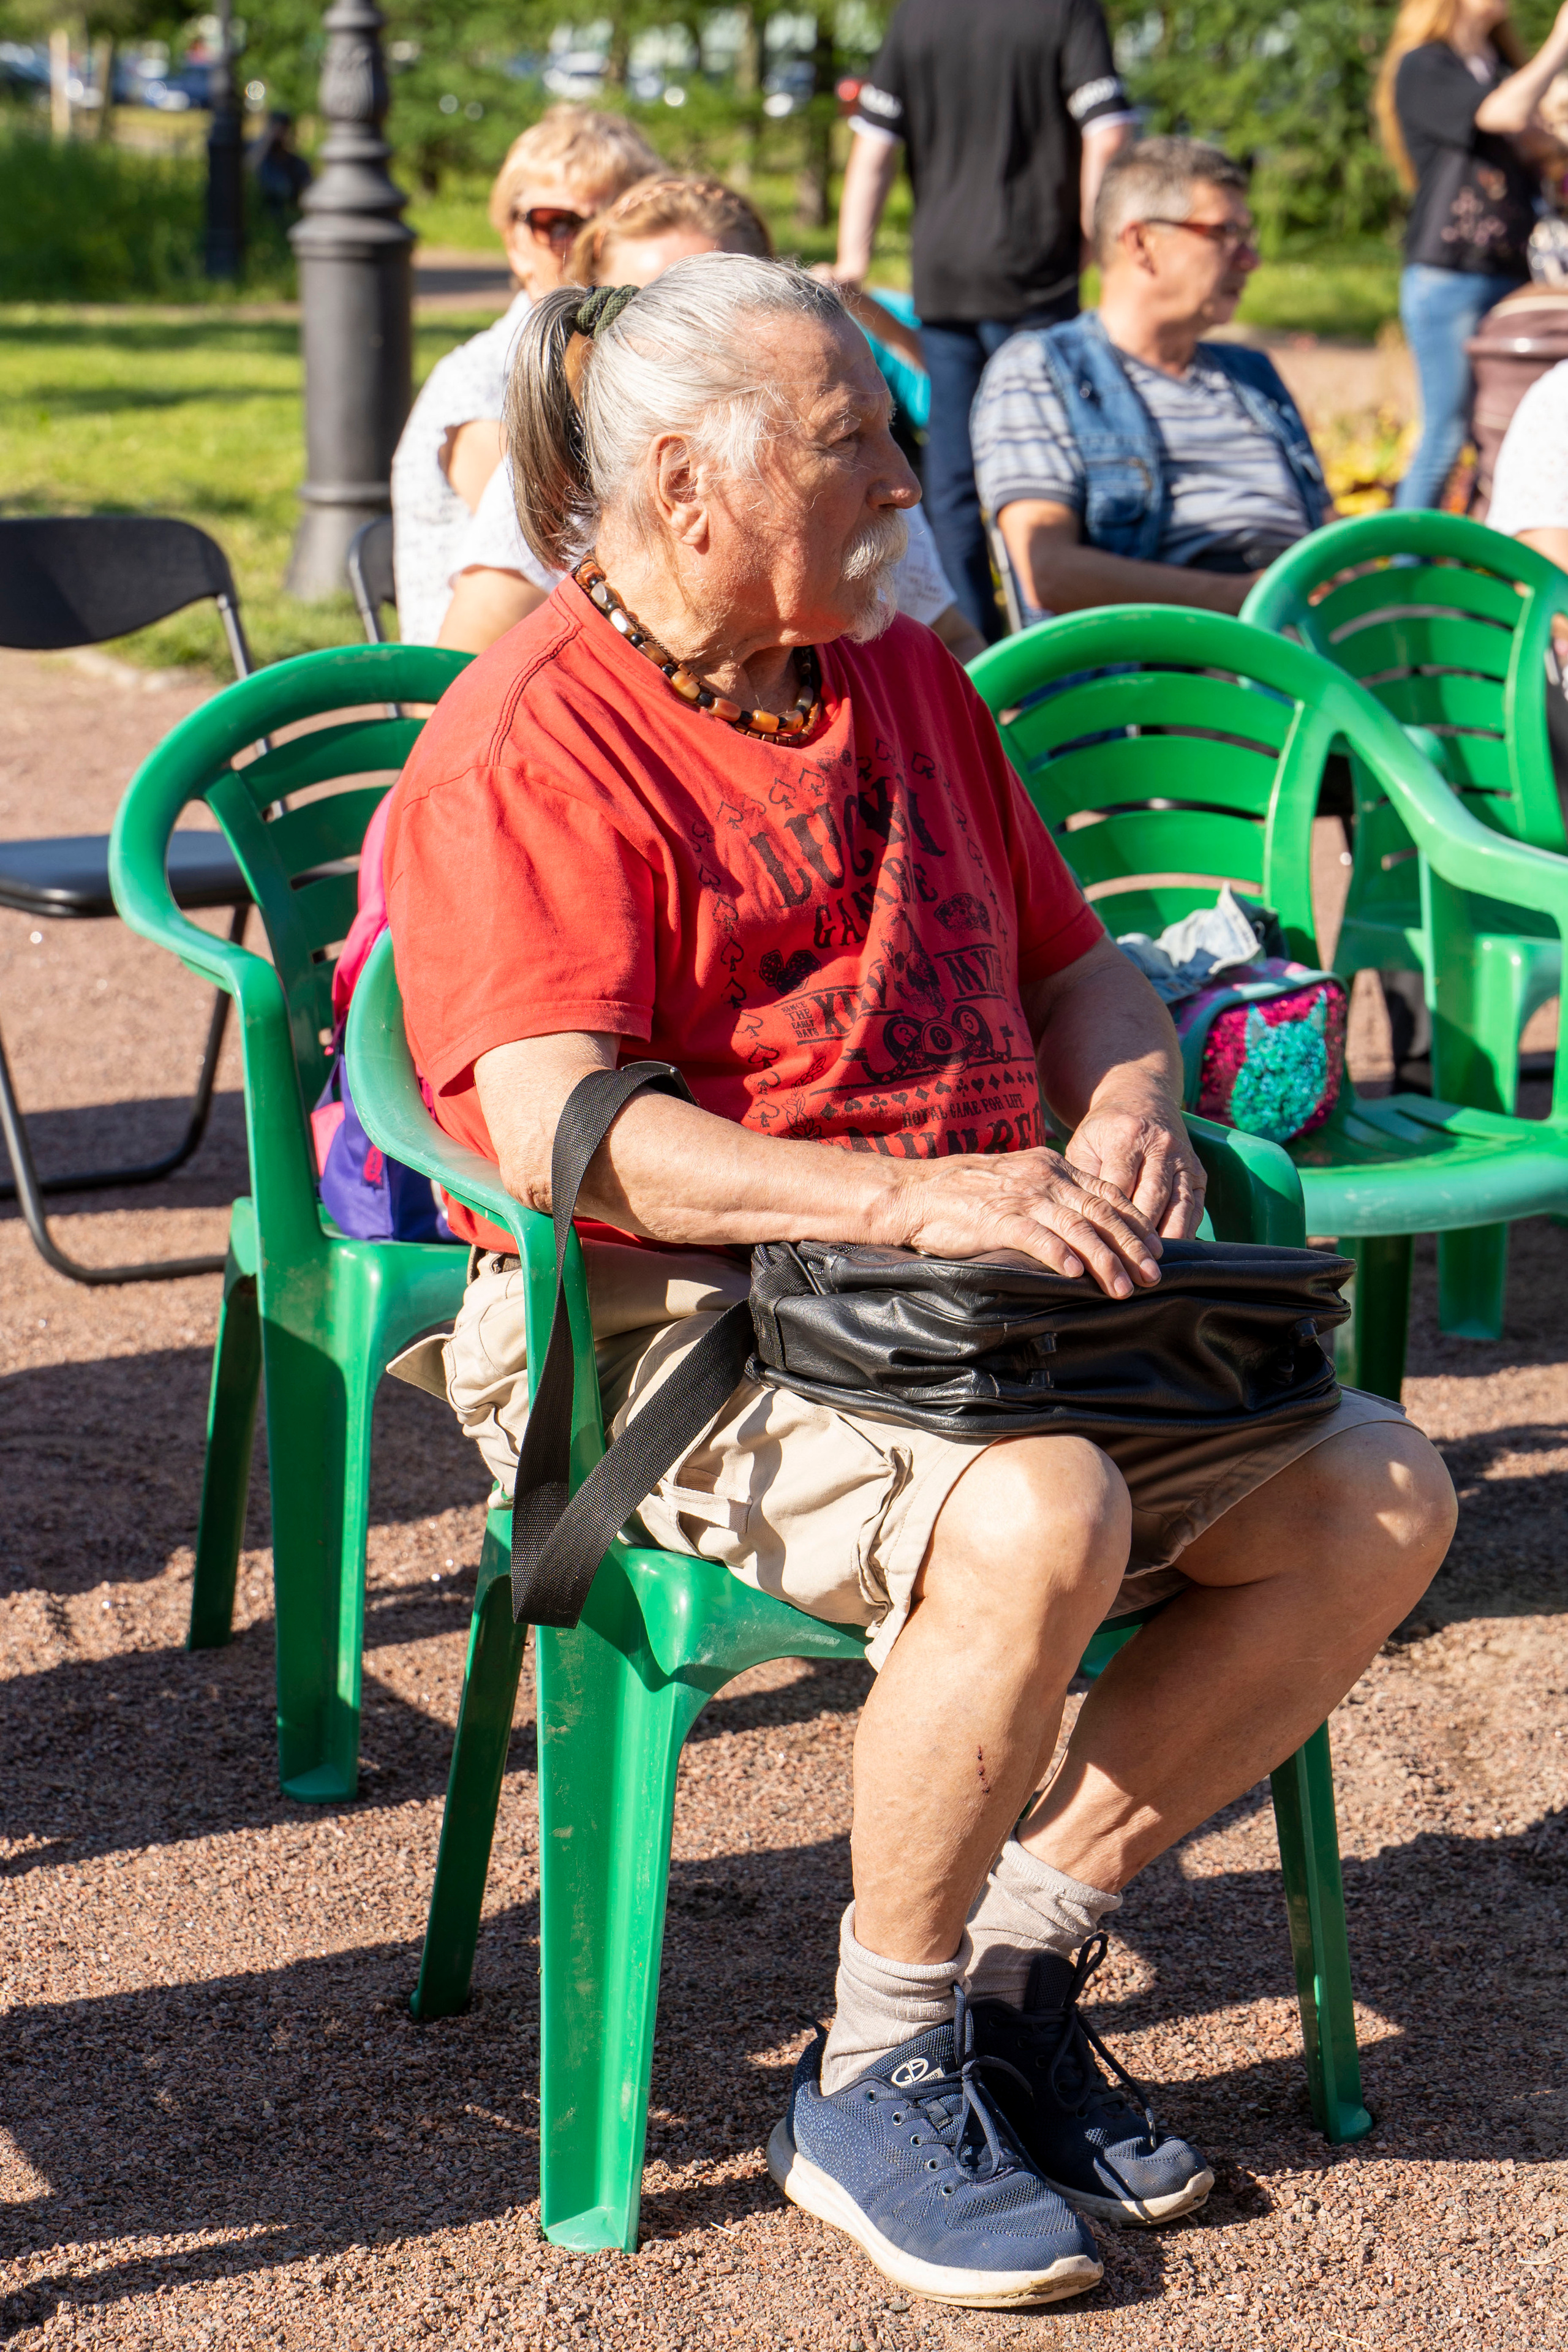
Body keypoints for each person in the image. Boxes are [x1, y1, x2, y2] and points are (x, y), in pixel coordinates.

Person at [385, 252, 1456, 2310]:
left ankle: (1009, 1977)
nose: (907, 480)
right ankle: (872, 2073)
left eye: (899, 433)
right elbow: (565, 1133)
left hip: (975, 1306)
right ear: (688, 485)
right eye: (855, 442)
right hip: (675, 1332)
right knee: (1043, 1508)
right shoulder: (537, 735)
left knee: (1382, 1492)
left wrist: (1129, 1102)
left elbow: (1083, 968)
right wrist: (921, 1202)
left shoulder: (894, 675)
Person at [437, 179, 986, 665]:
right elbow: (462, 687)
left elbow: (953, 647)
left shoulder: (850, 486)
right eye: (660, 309)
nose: (903, 488)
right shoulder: (564, 479)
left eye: (727, 293)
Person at [831, 0, 1134, 644]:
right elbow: (1107, 131)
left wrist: (853, 256)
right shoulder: (1066, 10)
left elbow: (874, 144)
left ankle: (974, 652)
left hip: (946, 278)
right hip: (1039, 276)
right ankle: (1058, 649)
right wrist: (1094, 241)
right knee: (1052, 475)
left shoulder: (918, 15)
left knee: (954, 482)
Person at [971, 138, 1330, 623]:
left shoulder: (1252, 375)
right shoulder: (1043, 370)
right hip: (1167, 654)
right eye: (1226, 233)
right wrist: (1254, 601)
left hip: (1305, 635)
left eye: (1249, 236)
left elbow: (1324, 525)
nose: (1250, 260)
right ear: (1141, 243)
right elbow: (1050, 571)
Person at [388, 104, 660, 646]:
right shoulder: (481, 381)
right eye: (557, 224)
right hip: (475, 675)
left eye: (615, 227)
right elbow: (556, 541)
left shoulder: (634, 367)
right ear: (515, 242)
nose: (585, 248)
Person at [1376, 0, 1568, 511]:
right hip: (1451, 274)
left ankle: (1494, 547)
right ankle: (1405, 558)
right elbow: (1502, 113)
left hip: (1517, 277)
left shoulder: (1500, 69)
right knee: (1447, 434)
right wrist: (1561, 41)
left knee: (1511, 427)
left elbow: (1536, 139)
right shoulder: (1426, 65)